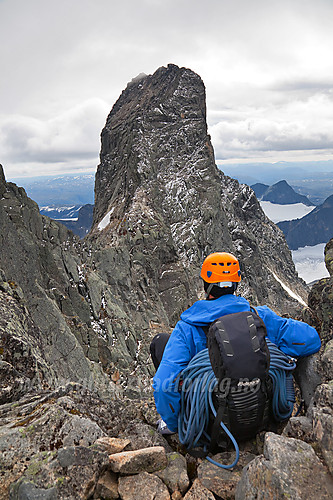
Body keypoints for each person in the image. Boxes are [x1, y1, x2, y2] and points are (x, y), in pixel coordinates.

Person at [151, 252, 321, 434]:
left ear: (205, 285)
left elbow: (163, 385)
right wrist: (275, 349)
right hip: (262, 417)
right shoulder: (259, 316)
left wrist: (178, 426)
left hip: (211, 428)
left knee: (160, 342)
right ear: (236, 283)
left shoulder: (187, 329)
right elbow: (310, 339)